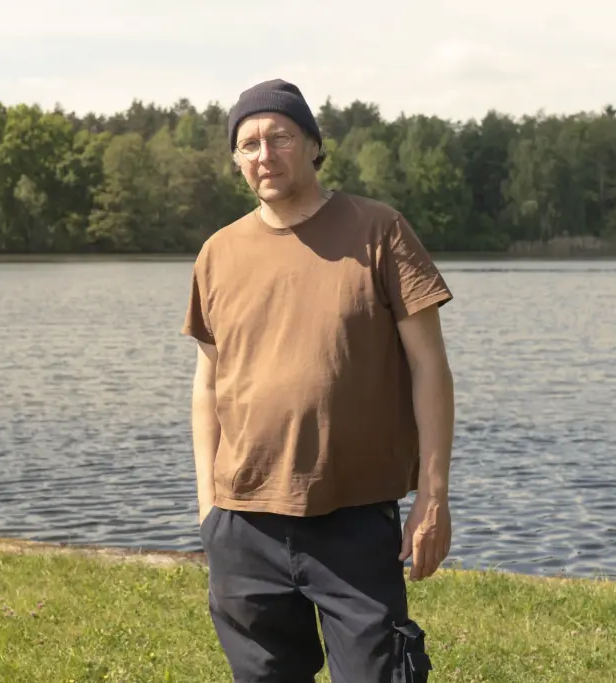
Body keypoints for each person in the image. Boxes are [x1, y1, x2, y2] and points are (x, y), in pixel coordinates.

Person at [181, 78, 455, 683]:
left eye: (278, 137)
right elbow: (207, 384)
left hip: (352, 518)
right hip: (243, 521)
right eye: (248, 144)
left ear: (312, 145)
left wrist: (432, 495)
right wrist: (209, 507)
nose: (264, 155)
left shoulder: (379, 231)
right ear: (235, 161)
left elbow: (429, 367)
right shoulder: (218, 254)